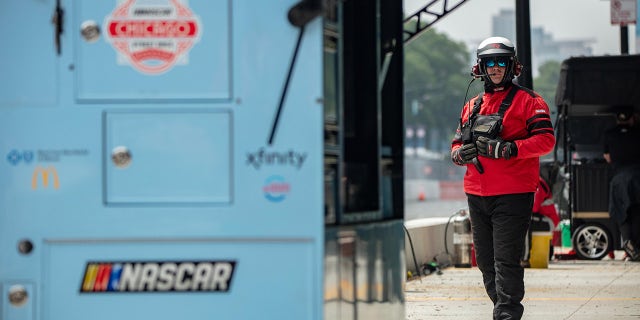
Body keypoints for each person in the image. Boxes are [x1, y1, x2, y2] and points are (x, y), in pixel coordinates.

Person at [450, 36, 555, 320]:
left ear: (512, 66)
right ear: (480, 68)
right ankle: (503, 309)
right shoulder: (471, 105)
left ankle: (507, 315)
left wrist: (509, 148)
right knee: (485, 263)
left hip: (513, 194)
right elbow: (455, 144)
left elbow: (546, 141)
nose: (495, 68)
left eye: (500, 62)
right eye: (489, 63)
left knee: (505, 261)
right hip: (476, 194)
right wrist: (461, 154)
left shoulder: (530, 102)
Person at [603, 109, 640, 261]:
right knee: (637, 212)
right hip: (638, 176)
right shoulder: (638, 133)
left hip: (619, 178)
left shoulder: (609, 134)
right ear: (632, 119)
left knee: (620, 211)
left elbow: (607, 157)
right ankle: (636, 248)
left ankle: (628, 243)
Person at [521, 175, 560, 267]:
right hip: (542, 218)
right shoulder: (531, 181)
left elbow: (534, 208)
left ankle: (524, 259)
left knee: (523, 221)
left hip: (548, 221)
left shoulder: (536, 184)